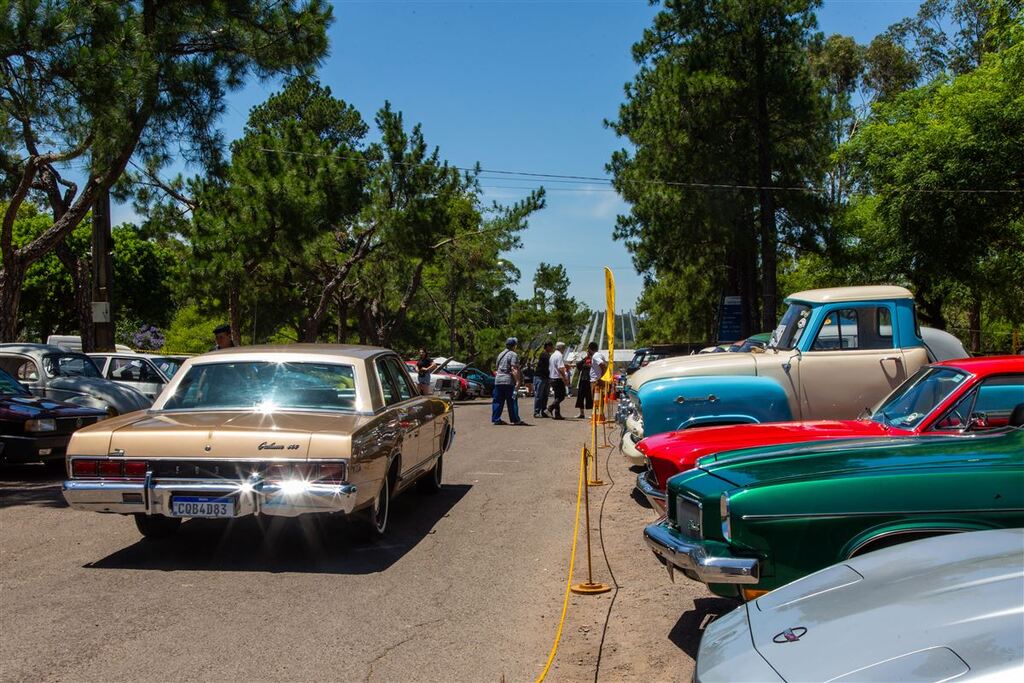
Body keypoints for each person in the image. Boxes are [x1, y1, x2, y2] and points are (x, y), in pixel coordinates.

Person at [492, 337, 526, 426]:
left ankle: (496, 419)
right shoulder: (513, 354)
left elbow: (497, 367)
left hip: (498, 380)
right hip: (508, 381)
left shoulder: (500, 354)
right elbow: (514, 368)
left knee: (497, 401)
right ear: (514, 346)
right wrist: (518, 381)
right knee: (512, 401)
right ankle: (515, 419)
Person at [547, 341, 569, 420]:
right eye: (564, 348)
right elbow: (560, 368)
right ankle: (550, 408)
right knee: (562, 396)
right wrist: (565, 378)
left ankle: (557, 414)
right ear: (561, 348)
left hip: (552, 378)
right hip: (558, 378)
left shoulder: (552, 355)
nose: (564, 350)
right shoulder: (559, 355)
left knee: (557, 397)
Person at [533, 341, 553, 418]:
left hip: (546, 377)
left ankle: (544, 411)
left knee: (545, 396)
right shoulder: (544, 354)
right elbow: (550, 363)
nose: (552, 348)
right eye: (551, 346)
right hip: (540, 377)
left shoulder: (548, 355)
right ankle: (536, 412)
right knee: (539, 395)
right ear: (547, 346)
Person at [588, 342, 608, 418]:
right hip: (598, 380)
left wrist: (601, 378)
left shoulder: (595, 356)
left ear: (590, 349)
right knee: (599, 399)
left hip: (596, 381)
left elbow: (603, 365)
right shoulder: (600, 355)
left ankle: (597, 416)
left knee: (596, 399)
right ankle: (599, 415)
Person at [574, 345, 594, 419]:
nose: (588, 352)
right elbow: (578, 366)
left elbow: (593, 367)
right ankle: (581, 413)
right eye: (587, 351)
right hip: (583, 379)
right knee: (580, 396)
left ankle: (593, 414)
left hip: (590, 380)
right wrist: (584, 361)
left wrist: (586, 365)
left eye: (589, 351)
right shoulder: (585, 359)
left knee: (590, 397)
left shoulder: (594, 359)